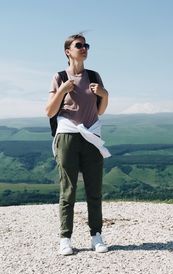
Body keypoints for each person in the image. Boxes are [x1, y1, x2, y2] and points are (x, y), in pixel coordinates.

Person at [46, 33, 110, 255]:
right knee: (68, 189)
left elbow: (99, 110)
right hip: (68, 136)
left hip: (91, 135)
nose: (84, 48)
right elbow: (49, 111)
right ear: (68, 51)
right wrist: (63, 90)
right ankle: (65, 238)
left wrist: (104, 94)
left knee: (94, 188)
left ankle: (96, 236)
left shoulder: (94, 76)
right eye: (79, 45)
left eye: (86, 45)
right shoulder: (59, 76)